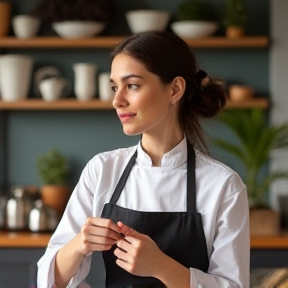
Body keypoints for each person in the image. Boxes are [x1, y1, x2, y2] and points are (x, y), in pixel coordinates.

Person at [37, 30, 250, 288]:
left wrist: (163, 267)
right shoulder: (102, 170)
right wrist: (79, 244)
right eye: (115, 87)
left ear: (175, 89)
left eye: (132, 85)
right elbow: (48, 281)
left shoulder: (224, 186)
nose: (117, 100)